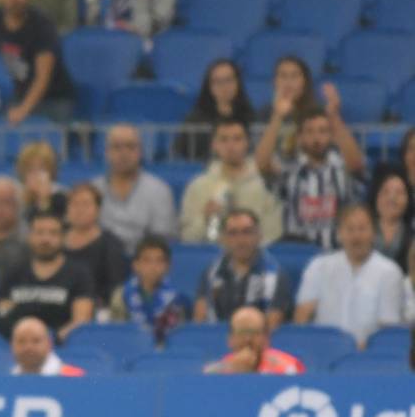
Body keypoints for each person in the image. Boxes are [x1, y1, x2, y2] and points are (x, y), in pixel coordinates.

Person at [256, 95, 364, 249]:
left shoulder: (341, 168)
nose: (316, 137)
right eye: (310, 131)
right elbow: (262, 164)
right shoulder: (289, 169)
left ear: (331, 136)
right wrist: (277, 117)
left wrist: (334, 118)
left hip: (335, 252)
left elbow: (356, 165)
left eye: (323, 131)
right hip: (297, 254)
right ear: (299, 137)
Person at [295, 205, 409, 347]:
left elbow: (387, 329)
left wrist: (353, 353)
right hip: (322, 351)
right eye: (350, 229)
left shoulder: (390, 272)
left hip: (368, 356)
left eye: (362, 229)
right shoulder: (318, 267)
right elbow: (302, 316)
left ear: (373, 233)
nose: (356, 236)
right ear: (339, 233)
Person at [180, 117, 283, 244]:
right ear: (214, 145)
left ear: (247, 143)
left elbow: (273, 234)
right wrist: (205, 219)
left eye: (237, 139)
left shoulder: (265, 185)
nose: (230, 146)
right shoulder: (198, 186)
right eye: (223, 139)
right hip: (211, 257)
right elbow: (187, 238)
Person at [0, 210, 95, 341]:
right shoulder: (14, 272)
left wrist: (51, 340)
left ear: (63, 238)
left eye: (53, 233)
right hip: (18, 348)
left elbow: (81, 322)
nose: (45, 239)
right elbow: (3, 314)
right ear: (29, 237)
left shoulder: (79, 274)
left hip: (63, 348)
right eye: (39, 232)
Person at [193, 207, 294, 328]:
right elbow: (200, 322)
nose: (240, 240)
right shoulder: (211, 273)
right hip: (215, 343)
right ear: (224, 239)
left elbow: (273, 325)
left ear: (259, 235)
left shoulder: (276, 276)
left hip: (257, 343)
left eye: (247, 232)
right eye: (233, 233)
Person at [94, 125, 177, 254]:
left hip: (145, 263)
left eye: (130, 147)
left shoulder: (159, 190)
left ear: (140, 151)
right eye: (116, 147)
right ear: (106, 152)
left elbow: (162, 238)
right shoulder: (93, 189)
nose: (123, 153)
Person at [109, 236, 187, 342]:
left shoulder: (177, 299)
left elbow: (179, 337)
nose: (153, 266)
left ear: (168, 266)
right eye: (147, 260)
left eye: (159, 261)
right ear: (135, 265)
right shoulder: (122, 294)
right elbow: (117, 334)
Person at [63, 183, 129, 304]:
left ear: (98, 209)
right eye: (74, 204)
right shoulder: (55, 241)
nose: (79, 210)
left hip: (97, 307)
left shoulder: (111, 245)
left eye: (86, 204)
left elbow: (115, 288)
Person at [177, 59, 255, 160]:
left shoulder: (250, 117)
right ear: (209, 86)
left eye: (229, 80)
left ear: (238, 83)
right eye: (217, 82)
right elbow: (181, 153)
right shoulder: (194, 120)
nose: (224, 87)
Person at [203, 305, 305, 374]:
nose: (248, 339)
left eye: (254, 333)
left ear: (266, 338)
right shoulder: (217, 372)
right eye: (242, 332)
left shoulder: (287, 368)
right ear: (230, 339)